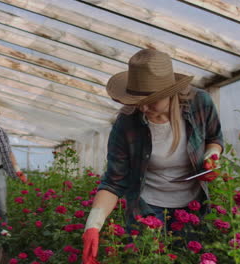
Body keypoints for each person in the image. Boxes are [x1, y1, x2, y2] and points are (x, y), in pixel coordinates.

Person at [82, 49, 223, 263]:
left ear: (170, 92)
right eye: (138, 100)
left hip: (193, 206)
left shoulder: (199, 103)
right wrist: (93, 225)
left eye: (152, 100)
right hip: (147, 208)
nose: (144, 107)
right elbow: (114, 181)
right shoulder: (127, 122)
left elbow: (215, 137)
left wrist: (211, 156)